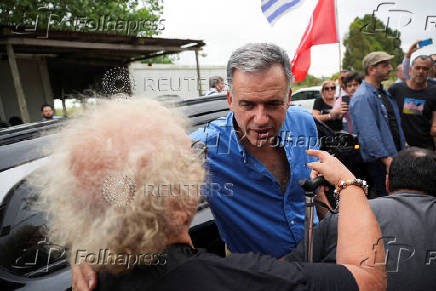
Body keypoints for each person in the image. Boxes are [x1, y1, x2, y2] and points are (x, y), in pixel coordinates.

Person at [37, 98, 385, 290]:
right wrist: (350, 186)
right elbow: (366, 279)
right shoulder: (231, 280)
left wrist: (83, 249)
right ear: (179, 198)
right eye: (189, 163)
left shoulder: (93, 277)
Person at [190, 43, 319, 258]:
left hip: (317, 260)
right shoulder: (203, 147)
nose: (260, 120)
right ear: (230, 100)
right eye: (248, 105)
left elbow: (316, 188)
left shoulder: (304, 124)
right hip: (256, 279)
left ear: (289, 98)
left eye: (272, 104)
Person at [286, 147, 436, 291]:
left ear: (387, 183)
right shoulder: (343, 216)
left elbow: (292, 268)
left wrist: (319, 193)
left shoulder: (344, 216)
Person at [350, 51, 405, 197]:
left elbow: (392, 125)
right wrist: (386, 160)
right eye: (385, 65)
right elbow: (369, 135)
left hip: (392, 157)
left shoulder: (381, 92)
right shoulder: (363, 97)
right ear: (371, 69)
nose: (390, 68)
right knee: (388, 201)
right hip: (381, 163)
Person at [389, 55, 436, 150]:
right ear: (410, 70)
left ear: (430, 71)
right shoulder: (396, 89)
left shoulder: (434, 91)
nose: (421, 72)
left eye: (425, 69)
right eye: (417, 68)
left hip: (425, 147)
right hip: (401, 147)